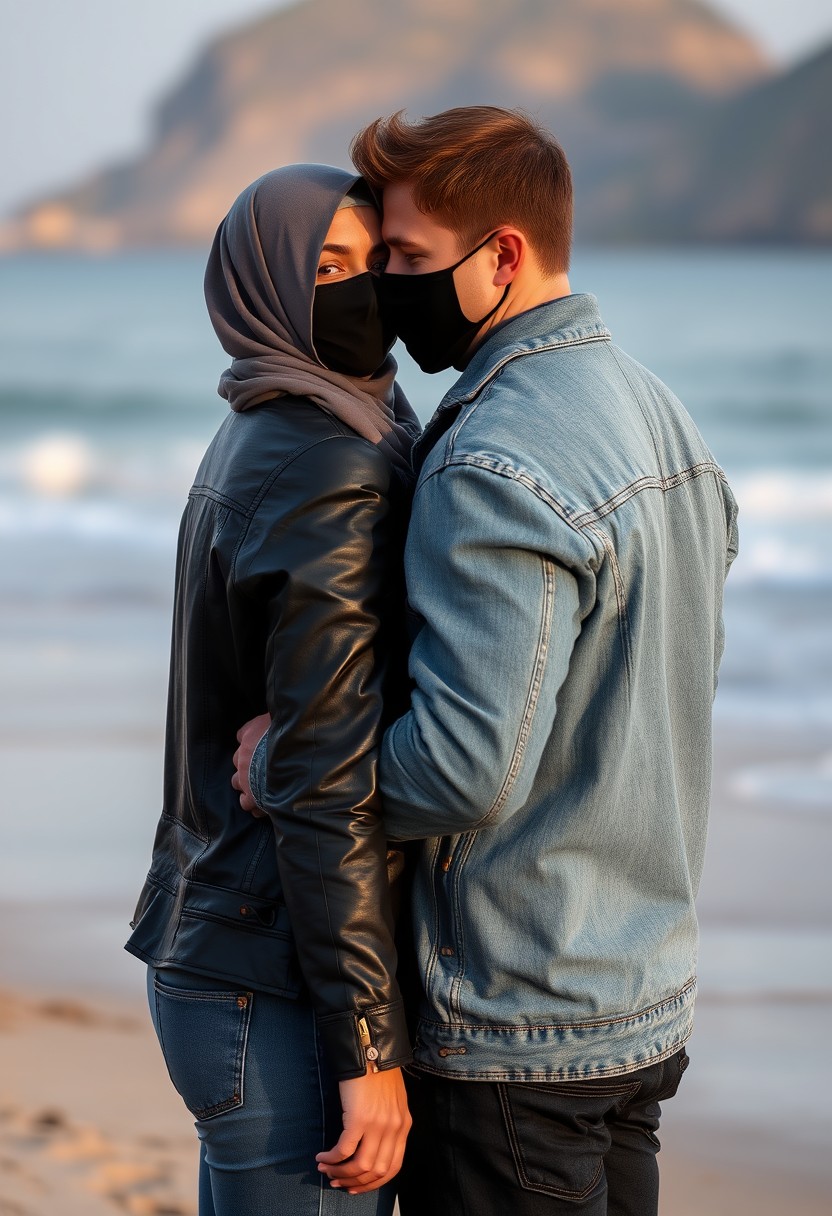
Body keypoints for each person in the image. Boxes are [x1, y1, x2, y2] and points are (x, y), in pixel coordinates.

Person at [233, 107, 740, 1216]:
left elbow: (464, 768)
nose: (387, 291)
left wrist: (286, 765)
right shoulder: (667, 422)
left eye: (408, 260)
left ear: (502, 255)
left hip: (514, 1022)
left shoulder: (494, 457)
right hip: (643, 993)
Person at [125, 163, 420, 1215]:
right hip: (275, 986)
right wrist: (369, 1048)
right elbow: (318, 780)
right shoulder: (326, 460)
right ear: (266, 281)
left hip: (218, 948)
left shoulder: (268, 421)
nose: (367, 288)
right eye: (330, 265)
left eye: (378, 261)